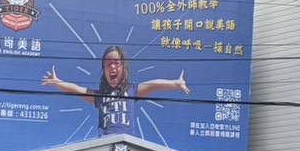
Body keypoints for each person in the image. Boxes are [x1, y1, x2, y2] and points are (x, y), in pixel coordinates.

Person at [41, 48, 189, 136]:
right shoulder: (99, 97)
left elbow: (154, 85)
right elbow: (76, 90)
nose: (112, 67)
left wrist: (175, 83)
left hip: (128, 143)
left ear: (124, 69)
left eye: (117, 63)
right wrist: (58, 82)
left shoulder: (132, 91)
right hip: (105, 144)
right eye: (108, 64)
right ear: (104, 71)